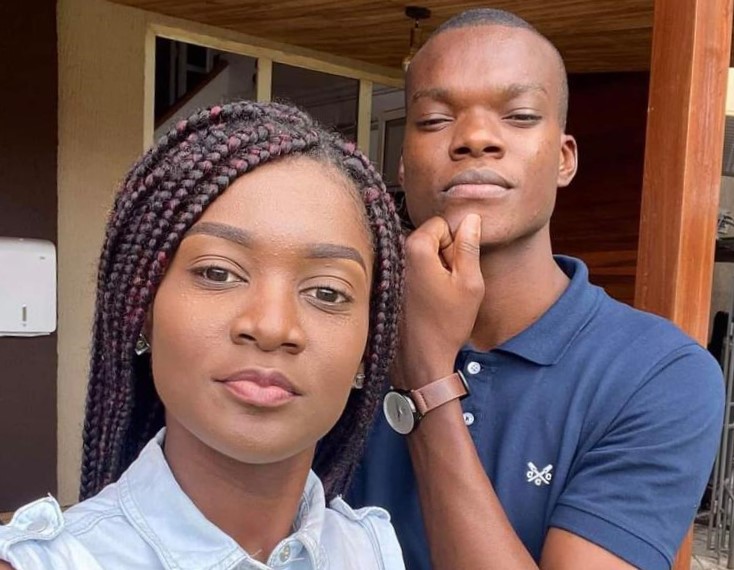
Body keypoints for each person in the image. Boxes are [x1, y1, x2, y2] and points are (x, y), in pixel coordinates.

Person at [348, 8, 724, 570]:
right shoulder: (340, 327)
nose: (476, 138)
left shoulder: (661, 373)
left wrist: (426, 381)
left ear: (564, 160)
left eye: (520, 116)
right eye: (434, 119)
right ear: (402, 165)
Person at [0, 101, 406, 570]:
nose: (272, 327)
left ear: (368, 350)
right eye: (218, 272)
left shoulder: (372, 549)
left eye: (327, 292)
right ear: (144, 309)